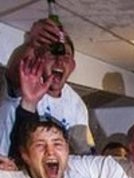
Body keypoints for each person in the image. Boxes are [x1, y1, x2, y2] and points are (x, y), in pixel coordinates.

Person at [0, 18, 94, 157]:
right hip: (8, 168)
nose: (59, 60)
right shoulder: (29, 82)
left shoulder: (76, 104)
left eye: (66, 55)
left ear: (73, 66)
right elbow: (15, 71)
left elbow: (83, 151)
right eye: (52, 53)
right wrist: (31, 44)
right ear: (40, 59)